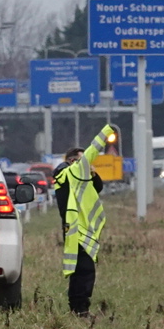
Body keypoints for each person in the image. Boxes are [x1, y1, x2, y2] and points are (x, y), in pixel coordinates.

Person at [53, 123, 117, 316]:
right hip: (77, 230)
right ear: (73, 161)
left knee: (80, 271)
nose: (86, 166)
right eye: (83, 162)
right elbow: (93, 150)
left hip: (81, 229)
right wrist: (106, 132)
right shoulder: (67, 173)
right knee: (85, 271)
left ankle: (77, 308)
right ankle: (81, 309)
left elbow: (97, 188)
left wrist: (93, 173)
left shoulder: (76, 178)